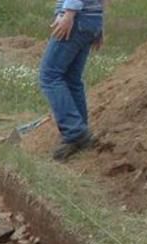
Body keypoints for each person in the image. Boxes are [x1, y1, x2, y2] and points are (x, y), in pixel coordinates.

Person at [40, 0, 105, 161]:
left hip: (77, 19)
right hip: (91, 19)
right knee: (71, 79)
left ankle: (75, 132)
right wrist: (99, 23)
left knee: (49, 76)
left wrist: (69, 13)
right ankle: (80, 133)